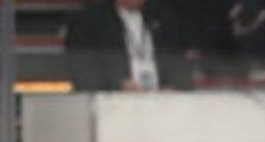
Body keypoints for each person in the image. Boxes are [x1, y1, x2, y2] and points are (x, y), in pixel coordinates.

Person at [63, 0, 192, 92]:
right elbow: (83, 72)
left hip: (160, 101)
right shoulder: (87, 21)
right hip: (112, 104)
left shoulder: (164, 17)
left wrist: (172, 87)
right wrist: (118, 86)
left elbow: (179, 62)